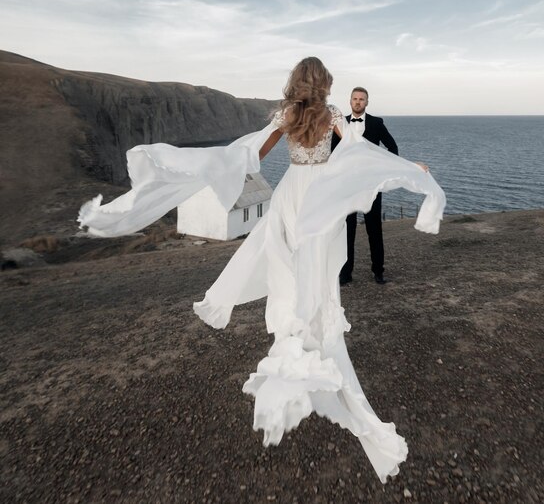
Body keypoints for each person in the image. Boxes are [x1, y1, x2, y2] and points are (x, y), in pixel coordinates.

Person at [78, 57, 446, 483]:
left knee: (287, 263)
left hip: (290, 193)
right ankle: (310, 328)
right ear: (324, 84)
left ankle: (295, 329)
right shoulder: (332, 117)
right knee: (316, 267)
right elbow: (357, 152)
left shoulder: (286, 116)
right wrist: (406, 168)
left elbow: (251, 155)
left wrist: (207, 164)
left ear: (296, 83)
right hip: (319, 194)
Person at [332, 87, 399, 286]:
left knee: (374, 230)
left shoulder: (377, 123)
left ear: (367, 102)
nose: (358, 102)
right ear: (350, 101)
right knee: (347, 230)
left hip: (371, 185)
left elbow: (392, 147)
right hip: (347, 186)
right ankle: (345, 274)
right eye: (355, 99)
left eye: (362, 99)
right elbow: (332, 152)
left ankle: (378, 271)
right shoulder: (340, 123)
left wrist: (381, 168)